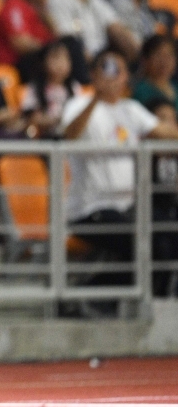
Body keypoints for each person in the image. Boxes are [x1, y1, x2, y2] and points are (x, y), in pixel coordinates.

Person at [60, 48, 178, 287]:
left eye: (118, 70)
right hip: (89, 208)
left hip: (127, 206)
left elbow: (167, 134)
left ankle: (156, 303)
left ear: (126, 77)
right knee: (146, 246)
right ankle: (89, 294)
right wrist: (96, 97)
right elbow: (69, 136)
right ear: (93, 74)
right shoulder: (78, 104)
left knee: (170, 237)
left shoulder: (130, 110)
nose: (112, 76)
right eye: (106, 69)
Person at [20, 40, 82, 138]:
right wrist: (59, 120)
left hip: (68, 136)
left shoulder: (75, 87)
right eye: (56, 58)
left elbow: (79, 113)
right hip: (42, 137)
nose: (61, 64)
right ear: (44, 62)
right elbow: (32, 117)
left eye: (65, 58)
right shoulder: (34, 87)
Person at [133, 34, 178, 111]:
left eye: (169, 55)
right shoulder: (140, 91)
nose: (164, 61)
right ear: (145, 60)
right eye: (158, 55)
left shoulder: (175, 85)